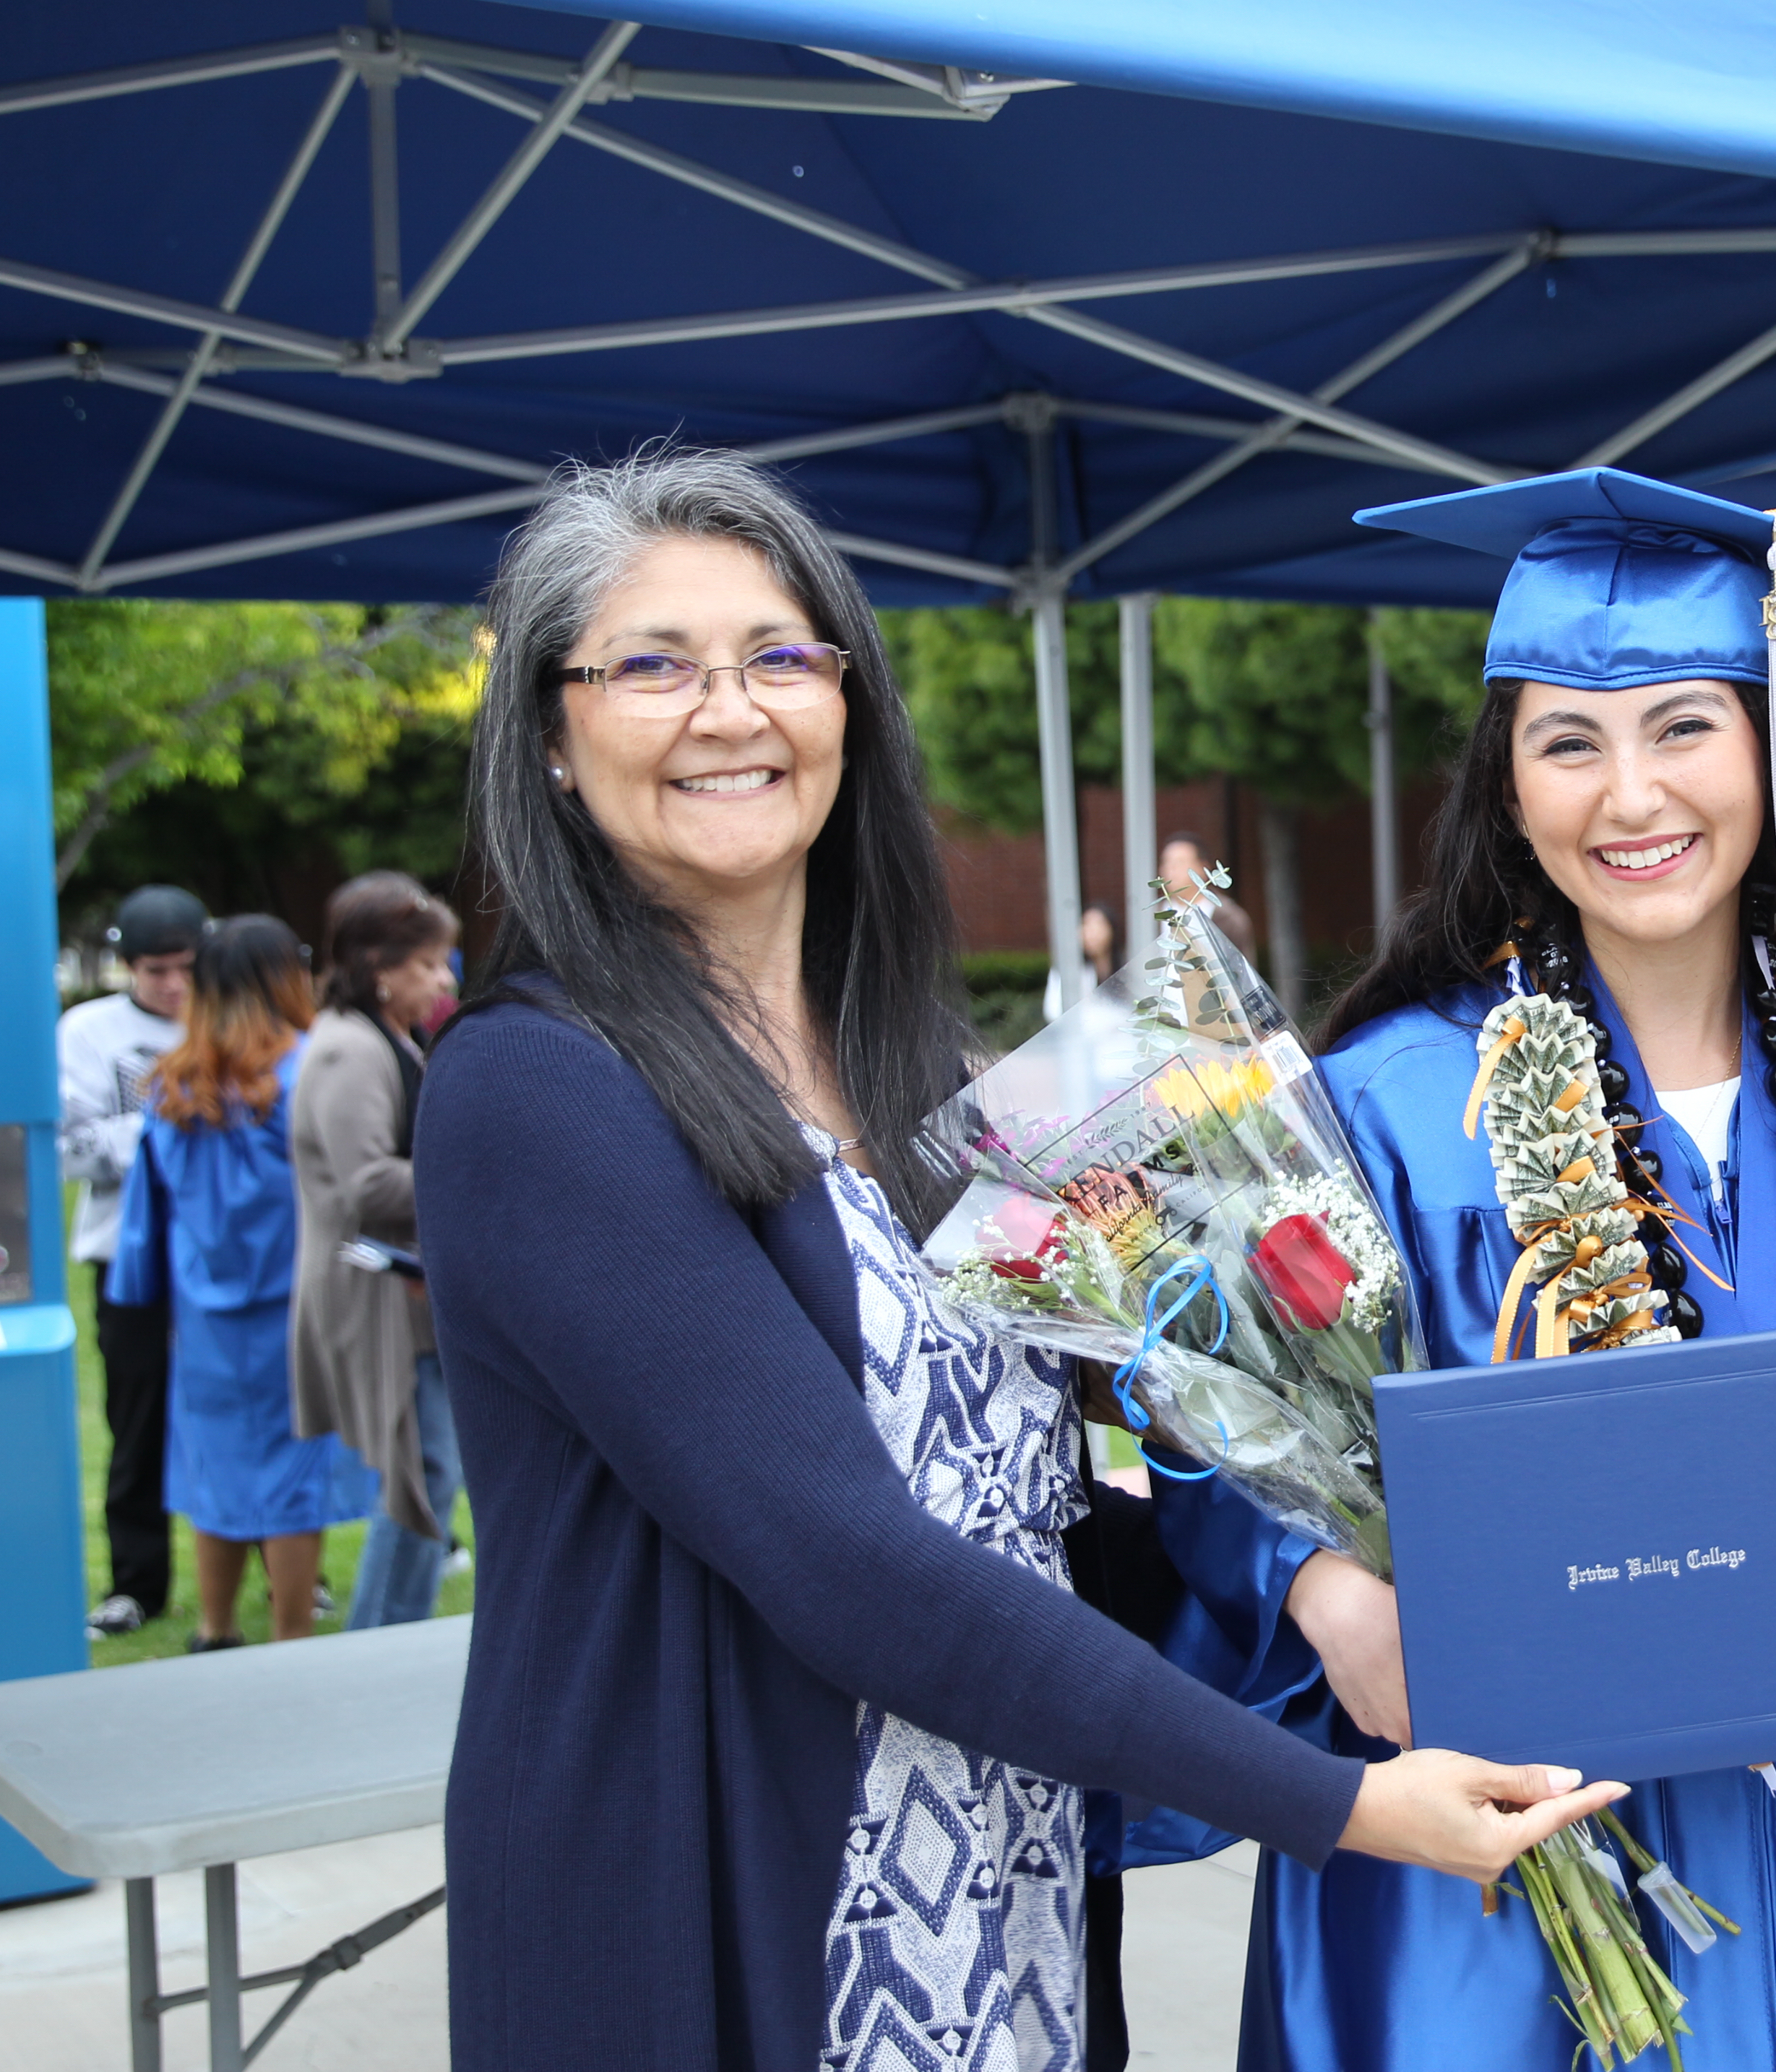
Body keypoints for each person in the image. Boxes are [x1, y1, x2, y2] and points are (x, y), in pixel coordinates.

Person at [414, 448, 1617, 2071]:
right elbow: (856, 1569)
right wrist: (1339, 1806)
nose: (730, 709)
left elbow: (1059, 1506)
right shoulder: (537, 1091)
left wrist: (1335, 1567)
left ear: (847, 700)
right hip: (736, 1922)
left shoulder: (924, 1075)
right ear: (552, 741)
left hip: (1006, 1903)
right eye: (651, 665)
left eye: (780, 655)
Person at [1177, 465, 1776, 2071]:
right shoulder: (1397, 1104)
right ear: (1509, 787)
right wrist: (1318, 1586)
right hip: (1518, 1860)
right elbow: (1206, 1398)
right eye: (1571, 742)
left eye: (1686, 726)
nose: (1632, 796)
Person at [110, 915, 379, 1649]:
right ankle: (293, 1635)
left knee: (215, 1464)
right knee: (295, 1472)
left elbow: (146, 1212)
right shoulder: (307, 1071)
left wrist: (135, 1287)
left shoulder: (171, 1082)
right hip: (299, 1304)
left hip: (206, 1312)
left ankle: (215, 1628)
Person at [290, 872, 465, 1628]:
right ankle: (381, 1639)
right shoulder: (351, 1050)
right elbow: (364, 1182)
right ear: (377, 967)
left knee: (425, 1472)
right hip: (378, 1292)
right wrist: (477, 1172)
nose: (440, 979)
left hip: (406, 1291)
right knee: (418, 1476)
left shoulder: (384, 1037)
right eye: (426, 964)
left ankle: (392, 1628)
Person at [61, 884, 207, 1638]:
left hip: (222, 1258)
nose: (173, 985)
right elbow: (68, 1147)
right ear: (129, 967)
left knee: (241, 1418)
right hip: (127, 1256)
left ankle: (284, 1567)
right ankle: (136, 1584)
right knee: (138, 1419)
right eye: (156, 971)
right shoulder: (89, 1031)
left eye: (185, 967)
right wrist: (170, 1125)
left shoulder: (230, 1018)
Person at [1159, 831, 1256, 953]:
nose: (1171, 869)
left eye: (1180, 862)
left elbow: (1242, 968)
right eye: (1166, 862)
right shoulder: (1151, 916)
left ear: (1202, 868)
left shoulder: (1229, 919)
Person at [1041, 900, 1121, 1021]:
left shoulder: (1125, 967)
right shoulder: (1067, 969)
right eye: (1085, 925)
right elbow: (1054, 1011)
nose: (1091, 933)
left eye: (1098, 925)